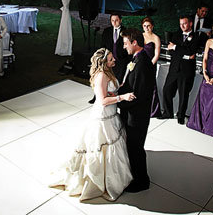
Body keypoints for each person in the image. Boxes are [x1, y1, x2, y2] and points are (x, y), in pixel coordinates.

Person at [49, 47, 134, 201]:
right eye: (111, 59)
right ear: (103, 63)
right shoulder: (101, 76)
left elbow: (108, 93)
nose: (114, 60)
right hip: (103, 116)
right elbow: (102, 101)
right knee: (100, 146)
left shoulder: (108, 72)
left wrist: (115, 92)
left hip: (111, 114)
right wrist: (122, 97)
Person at [117, 28, 156, 192]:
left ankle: (142, 181)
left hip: (137, 115)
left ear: (135, 43)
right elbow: (129, 85)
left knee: (136, 147)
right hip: (132, 113)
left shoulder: (142, 64)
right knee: (132, 146)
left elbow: (137, 95)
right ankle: (134, 174)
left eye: (126, 43)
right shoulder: (136, 58)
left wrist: (118, 102)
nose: (124, 47)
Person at [161, 15, 199, 124]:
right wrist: (185, 53)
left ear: (190, 24)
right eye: (180, 23)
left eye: (185, 23)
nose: (182, 26)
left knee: (183, 94)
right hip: (174, 68)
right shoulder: (176, 35)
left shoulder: (196, 36)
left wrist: (176, 48)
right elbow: (171, 51)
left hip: (186, 71)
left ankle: (181, 116)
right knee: (166, 90)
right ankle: (168, 113)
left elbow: (191, 50)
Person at [142, 17, 162, 117]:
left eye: (148, 26)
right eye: (145, 26)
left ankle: (153, 110)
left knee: (151, 86)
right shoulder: (140, 36)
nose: (146, 28)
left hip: (151, 65)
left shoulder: (156, 38)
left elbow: (156, 54)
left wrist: (149, 66)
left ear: (152, 26)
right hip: (140, 65)